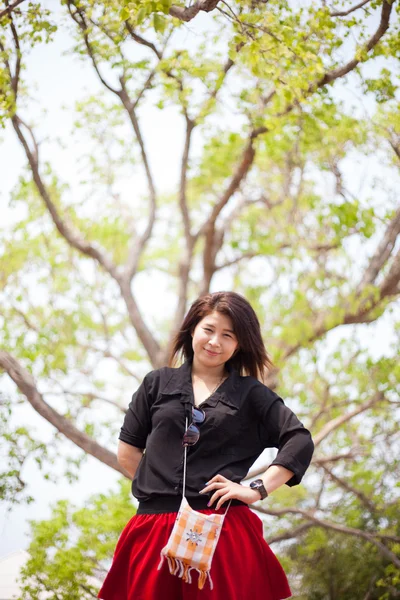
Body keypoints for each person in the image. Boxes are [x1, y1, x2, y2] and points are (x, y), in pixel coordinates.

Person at [98, 291, 314, 600]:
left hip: (221, 533)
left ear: (239, 344)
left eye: (228, 335)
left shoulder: (251, 394)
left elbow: (299, 439)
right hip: (153, 531)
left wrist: (256, 488)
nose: (215, 341)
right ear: (192, 330)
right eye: (209, 330)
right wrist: (165, 489)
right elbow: (127, 451)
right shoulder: (156, 383)